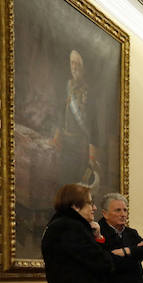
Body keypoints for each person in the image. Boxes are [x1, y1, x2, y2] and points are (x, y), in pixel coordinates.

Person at [52, 50, 100, 194]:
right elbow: (60, 114)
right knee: (63, 183)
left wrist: (92, 157)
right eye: (72, 63)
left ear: (83, 68)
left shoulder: (90, 93)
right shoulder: (66, 87)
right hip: (65, 143)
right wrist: (57, 136)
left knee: (77, 187)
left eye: (78, 64)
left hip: (80, 146)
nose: (74, 67)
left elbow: (93, 127)